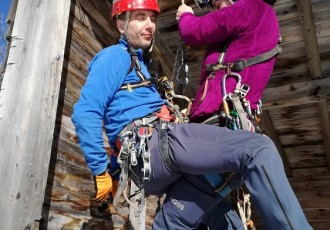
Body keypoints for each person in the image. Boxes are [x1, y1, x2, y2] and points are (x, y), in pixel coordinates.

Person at [71, 0, 312, 229]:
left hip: (151, 160)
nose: (150, 25)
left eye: (152, 19)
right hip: (155, 145)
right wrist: (100, 170)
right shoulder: (115, 55)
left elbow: (119, 124)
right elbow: (86, 112)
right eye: (140, 18)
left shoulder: (141, 67)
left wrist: (114, 170)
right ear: (121, 25)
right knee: (259, 150)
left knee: (203, 216)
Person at [154, 0, 284, 229]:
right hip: (224, 135)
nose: (218, 7)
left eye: (219, 2)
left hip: (217, 133)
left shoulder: (251, 7)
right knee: (213, 213)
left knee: (171, 219)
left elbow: (194, 31)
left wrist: (185, 15)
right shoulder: (256, 19)